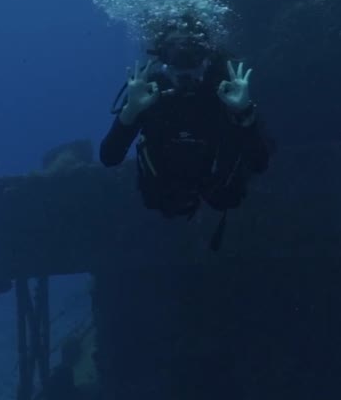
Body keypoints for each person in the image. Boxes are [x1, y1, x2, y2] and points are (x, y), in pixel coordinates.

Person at [99, 17, 273, 249]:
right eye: (174, 53)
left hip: (221, 191)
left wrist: (244, 113)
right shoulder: (149, 94)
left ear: (207, 57)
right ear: (162, 58)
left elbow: (259, 162)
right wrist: (131, 111)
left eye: (193, 52)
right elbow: (109, 157)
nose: (184, 64)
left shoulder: (226, 92)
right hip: (165, 196)